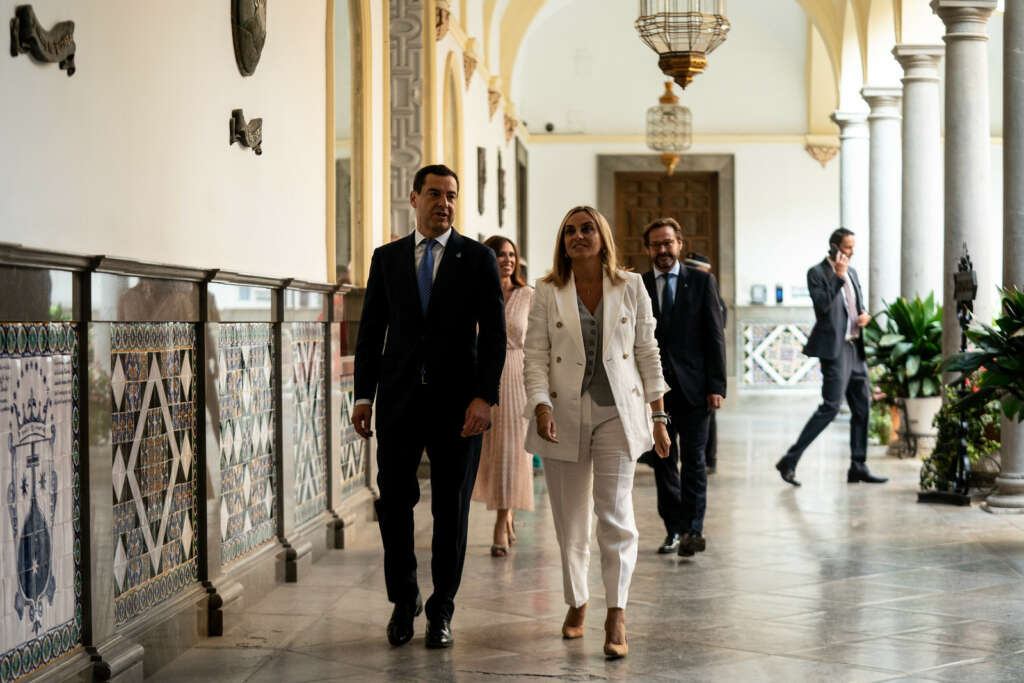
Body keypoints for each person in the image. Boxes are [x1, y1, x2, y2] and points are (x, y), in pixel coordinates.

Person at [352, 164, 506, 650]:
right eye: (435, 194)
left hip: (459, 407)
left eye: (452, 196)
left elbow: (495, 335)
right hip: (398, 403)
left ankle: (442, 609)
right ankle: (404, 600)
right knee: (394, 504)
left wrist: (484, 396)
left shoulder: (476, 258)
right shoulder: (387, 258)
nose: (445, 203)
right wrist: (363, 394)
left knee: (451, 509)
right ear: (413, 197)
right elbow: (371, 330)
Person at [523, 205, 670, 659]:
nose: (578, 236)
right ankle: (577, 599)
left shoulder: (631, 287)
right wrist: (541, 405)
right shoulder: (547, 291)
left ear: (602, 237)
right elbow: (535, 357)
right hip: (563, 415)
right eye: (569, 230)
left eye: (587, 229)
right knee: (570, 522)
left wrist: (659, 416)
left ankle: (616, 611)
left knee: (615, 514)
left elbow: (647, 351)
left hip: (617, 413)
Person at [640, 219, 726, 557]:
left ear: (679, 244)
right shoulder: (639, 286)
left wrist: (716, 386)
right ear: (648, 249)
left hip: (695, 391)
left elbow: (714, 336)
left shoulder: (702, 282)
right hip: (655, 394)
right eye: (656, 245)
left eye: (668, 243)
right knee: (663, 464)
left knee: (693, 463)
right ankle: (673, 529)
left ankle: (693, 530)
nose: (663, 250)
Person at [775, 228, 887, 486]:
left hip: (855, 349)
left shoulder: (854, 273)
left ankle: (858, 466)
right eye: (848, 247)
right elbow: (823, 307)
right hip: (834, 352)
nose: (851, 252)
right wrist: (837, 276)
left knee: (863, 408)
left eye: (852, 247)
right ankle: (789, 460)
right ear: (834, 247)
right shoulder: (817, 273)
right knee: (831, 408)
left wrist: (865, 315)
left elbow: (857, 305)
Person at [472, 236, 535, 557]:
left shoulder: (529, 296)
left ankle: (501, 521)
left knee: (513, 452)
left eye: (512, 255)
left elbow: (540, 345)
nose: (507, 260)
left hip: (517, 379)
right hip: (483, 379)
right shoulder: (476, 293)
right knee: (491, 452)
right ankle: (506, 513)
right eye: (500, 254)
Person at [683, 251, 726, 475]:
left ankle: (710, 459)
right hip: (683, 372)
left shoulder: (711, 293)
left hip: (703, 373)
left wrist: (716, 383)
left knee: (708, 420)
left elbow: (718, 336)